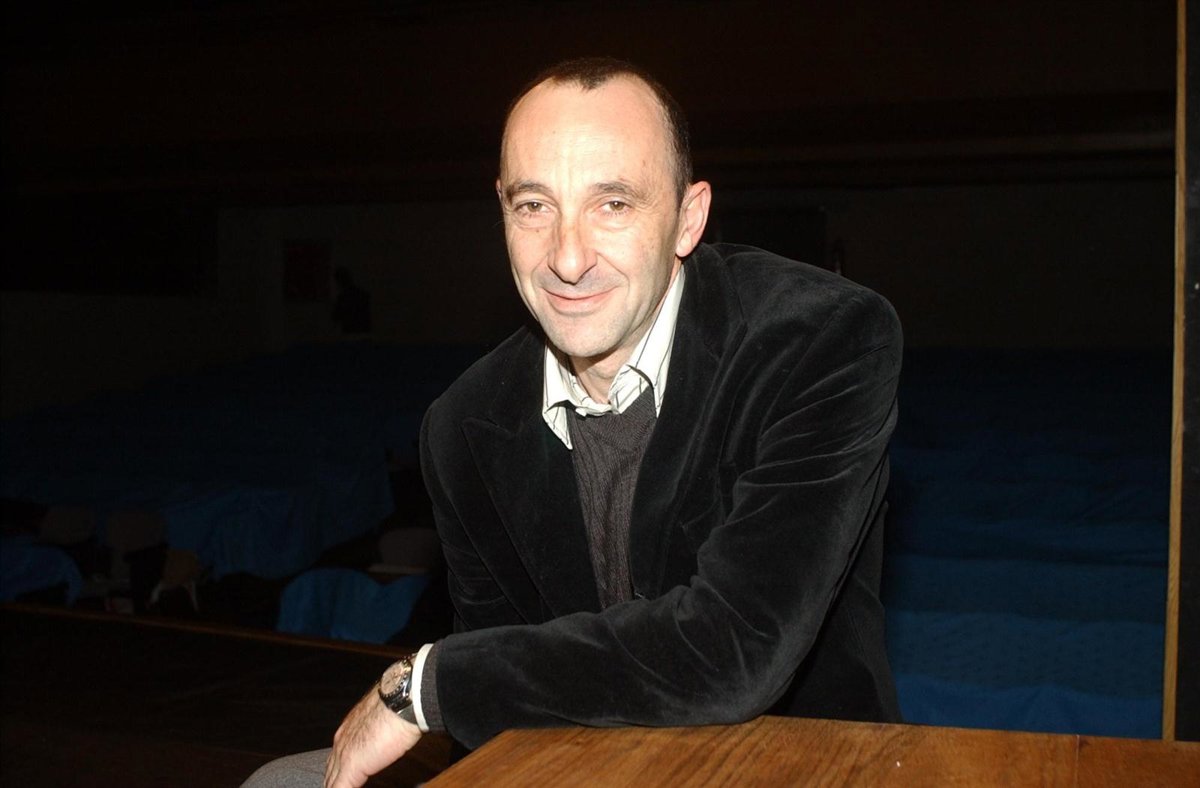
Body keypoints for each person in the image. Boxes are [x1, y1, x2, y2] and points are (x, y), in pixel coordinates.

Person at [245, 56, 902, 788]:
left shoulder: (821, 340)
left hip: (796, 766)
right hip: (581, 763)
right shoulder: (463, 426)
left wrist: (427, 685)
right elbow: (504, 699)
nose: (566, 257)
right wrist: (462, 694)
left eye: (612, 203)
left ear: (688, 218)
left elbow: (737, 647)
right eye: (534, 206)